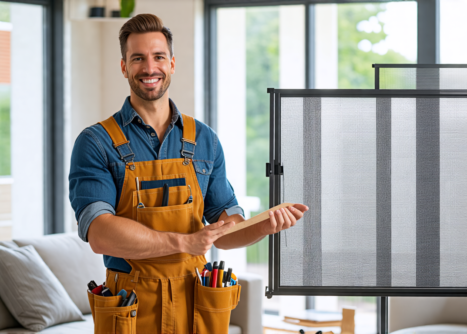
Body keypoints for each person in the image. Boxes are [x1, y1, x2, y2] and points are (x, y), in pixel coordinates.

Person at [68, 13, 308, 333]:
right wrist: (184, 243)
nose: (149, 68)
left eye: (158, 57)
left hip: (195, 304)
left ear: (172, 63)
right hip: (132, 307)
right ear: (124, 66)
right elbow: (100, 234)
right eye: (138, 58)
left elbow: (226, 231)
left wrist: (264, 224)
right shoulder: (96, 142)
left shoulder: (203, 139)